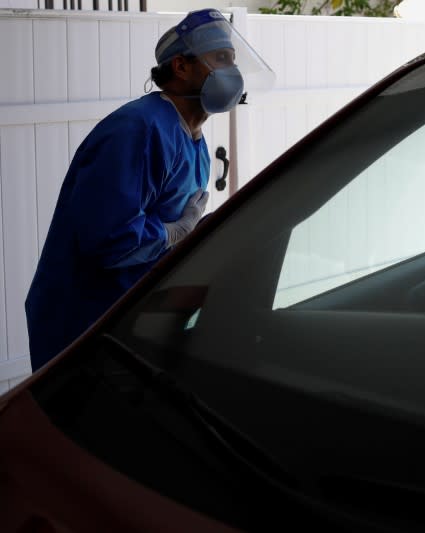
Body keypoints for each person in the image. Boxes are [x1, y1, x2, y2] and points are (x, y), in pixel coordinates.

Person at [25, 8, 273, 371]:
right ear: (181, 67)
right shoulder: (138, 130)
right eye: (220, 58)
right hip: (83, 324)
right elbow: (110, 242)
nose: (232, 72)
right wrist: (176, 233)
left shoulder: (195, 143)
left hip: (128, 320)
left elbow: (165, 231)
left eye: (232, 60)